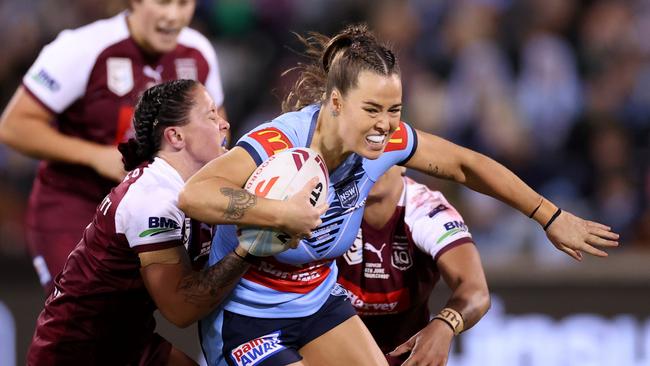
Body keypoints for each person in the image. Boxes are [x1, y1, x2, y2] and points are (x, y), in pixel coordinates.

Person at [179, 24, 619, 366]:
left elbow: (467, 165)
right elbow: (195, 195)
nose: (385, 124)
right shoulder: (279, 142)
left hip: (316, 300)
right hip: (249, 313)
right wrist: (278, 213)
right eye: (371, 109)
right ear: (335, 103)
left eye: (394, 110)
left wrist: (549, 216)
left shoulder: (387, 142)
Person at [0, 0, 226, 294]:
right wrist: (95, 156)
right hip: (75, 209)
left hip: (150, 212)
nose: (172, 15)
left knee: (129, 325)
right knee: (84, 318)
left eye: (183, 3)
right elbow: (14, 126)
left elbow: (217, 127)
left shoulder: (198, 53)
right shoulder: (82, 47)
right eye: (162, 2)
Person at [27, 80, 242, 366]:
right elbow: (180, 309)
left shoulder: (184, 188)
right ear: (176, 136)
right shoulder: (152, 199)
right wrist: (248, 251)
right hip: (77, 355)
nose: (224, 124)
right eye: (211, 115)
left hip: (128, 343)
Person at [336, 166, 489, 366]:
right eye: (359, 157)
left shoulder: (427, 209)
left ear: (403, 161)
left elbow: (476, 291)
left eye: (380, 155)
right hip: (331, 348)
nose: (368, 166)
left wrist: (445, 324)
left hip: (404, 354)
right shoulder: (325, 203)